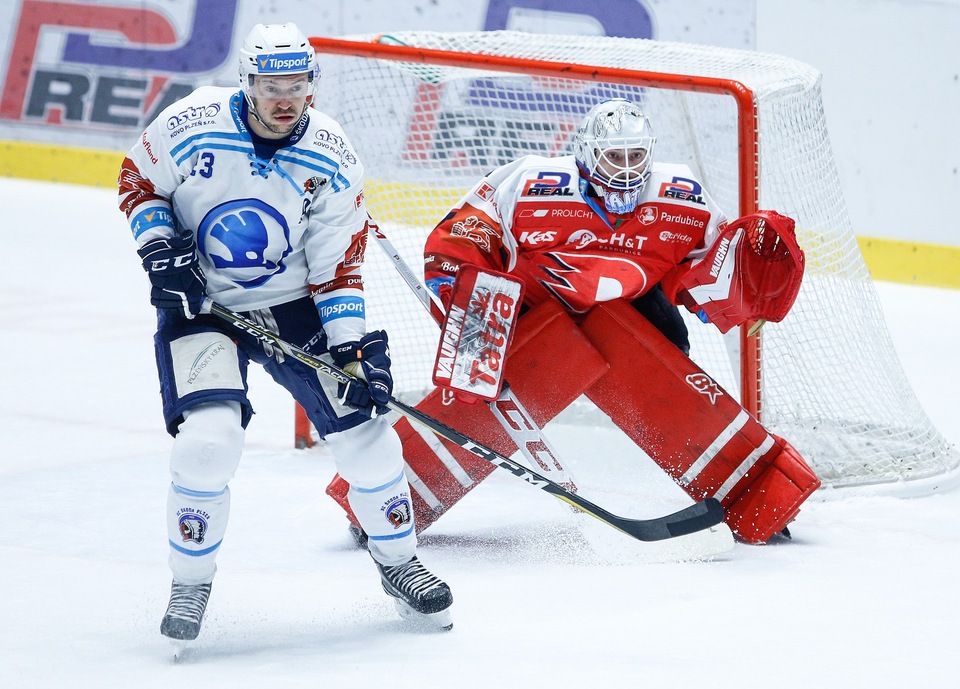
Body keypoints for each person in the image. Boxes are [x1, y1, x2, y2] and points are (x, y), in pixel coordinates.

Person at [326, 98, 819, 545]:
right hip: (530, 305)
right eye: (613, 157)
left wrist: (750, 285)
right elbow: (466, 233)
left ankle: (759, 496)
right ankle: (380, 506)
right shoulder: (529, 181)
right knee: (472, 397)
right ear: (586, 153)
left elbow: (708, 266)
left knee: (676, 383)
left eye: (635, 157)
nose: (626, 170)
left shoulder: (683, 196)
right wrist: (465, 296)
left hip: (633, 307)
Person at [117, 22, 453, 643]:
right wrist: (160, 249)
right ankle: (190, 583)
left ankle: (400, 563)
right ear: (246, 82)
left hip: (296, 305)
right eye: (271, 84)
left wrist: (349, 346)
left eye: (296, 84)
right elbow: (139, 184)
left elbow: (337, 263)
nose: (284, 98)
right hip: (202, 305)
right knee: (207, 443)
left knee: (367, 437)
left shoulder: (332, 153)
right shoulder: (190, 124)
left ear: (311, 85)